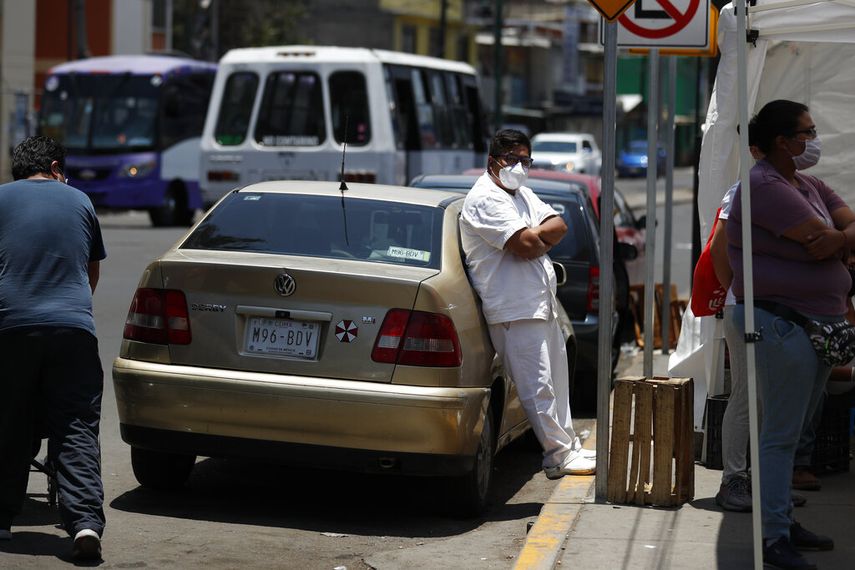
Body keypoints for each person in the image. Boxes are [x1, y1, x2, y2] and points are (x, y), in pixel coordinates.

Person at [726, 100, 855, 569]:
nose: (813, 139)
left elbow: (836, 233)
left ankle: (782, 521)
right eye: (807, 132)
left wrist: (839, 241)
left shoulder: (808, 183)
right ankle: (774, 537)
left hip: (815, 324)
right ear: (783, 141)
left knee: (796, 430)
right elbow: (819, 237)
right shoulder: (763, 186)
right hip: (783, 323)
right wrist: (839, 241)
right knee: (780, 437)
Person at [459, 129, 596, 478]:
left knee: (557, 382)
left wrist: (539, 239)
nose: (520, 167)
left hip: (539, 303)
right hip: (514, 309)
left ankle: (567, 448)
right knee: (538, 387)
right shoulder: (485, 199)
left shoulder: (522, 194)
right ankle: (558, 453)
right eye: (512, 160)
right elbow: (525, 244)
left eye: (525, 160)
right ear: (493, 162)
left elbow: (559, 225)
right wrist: (537, 238)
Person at [0, 136, 107, 561]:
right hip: (74, 329)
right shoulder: (80, 201)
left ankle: (3, 520)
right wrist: (70, 314)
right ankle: (84, 525)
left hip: (11, 327)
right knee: (76, 427)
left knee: (8, 420)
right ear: (56, 166)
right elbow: (91, 273)